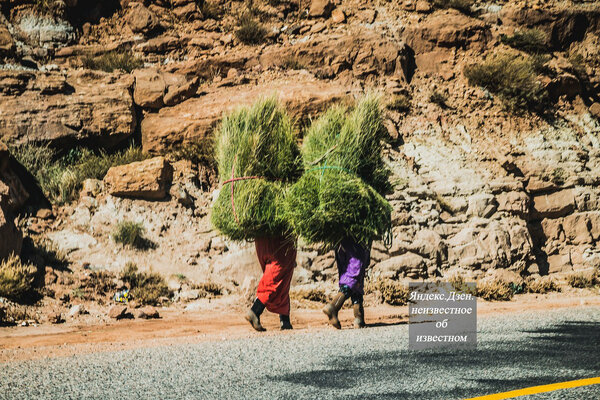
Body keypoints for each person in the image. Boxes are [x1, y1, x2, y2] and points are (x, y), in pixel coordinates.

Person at [245, 235, 297, 331]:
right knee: (277, 277)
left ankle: (285, 321)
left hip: (261, 240)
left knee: (281, 278)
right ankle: (255, 310)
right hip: (280, 239)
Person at [323, 238, 371, 329]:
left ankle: (359, 317)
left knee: (348, 274)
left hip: (341, 240)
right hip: (356, 239)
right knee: (355, 274)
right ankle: (333, 306)